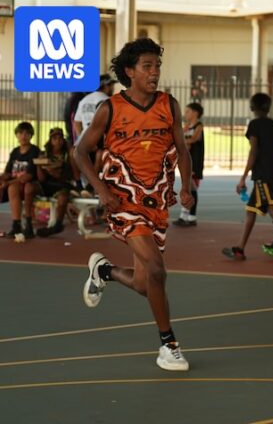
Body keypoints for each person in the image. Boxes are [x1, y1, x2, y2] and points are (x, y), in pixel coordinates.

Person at [73, 37, 194, 371]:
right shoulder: (110, 109)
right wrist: (100, 189)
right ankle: (169, 345)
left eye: (157, 65)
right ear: (130, 71)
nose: (154, 72)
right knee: (157, 270)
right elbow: (79, 152)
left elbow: (182, 148)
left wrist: (188, 182)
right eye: (147, 66)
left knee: (145, 283)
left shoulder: (168, 105)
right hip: (124, 201)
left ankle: (105, 271)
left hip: (157, 202)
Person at [222, 93, 273, 263]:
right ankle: (240, 248)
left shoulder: (255, 125)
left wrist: (243, 177)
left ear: (252, 107)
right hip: (272, 174)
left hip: (262, 176)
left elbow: (254, 151)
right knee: (251, 211)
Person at [0, 122, 41, 239]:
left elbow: (29, 176)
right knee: (12, 188)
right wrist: (3, 178)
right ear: (16, 135)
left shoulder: (34, 151)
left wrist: (7, 183)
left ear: (31, 135)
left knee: (15, 186)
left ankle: (28, 223)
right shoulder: (15, 152)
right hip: (16, 185)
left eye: (27, 133)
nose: (23, 136)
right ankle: (16, 224)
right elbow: (8, 172)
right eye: (20, 133)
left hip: (30, 184)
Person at [35, 128, 76, 237]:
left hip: (61, 185)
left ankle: (58, 224)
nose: (58, 141)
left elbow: (67, 176)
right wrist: (39, 165)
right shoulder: (45, 154)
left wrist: (53, 170)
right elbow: (41, 179)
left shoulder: (67, 155)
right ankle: (26, 223)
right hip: (47, 185)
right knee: (30, 187)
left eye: (60, 138)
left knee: (62, 198)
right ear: (50, 141)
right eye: (55, 138)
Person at [174, 102, 205, 226]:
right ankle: (186, 216)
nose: (185, 114)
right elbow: (180, 138)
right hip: (187, 160)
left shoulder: (199, 125)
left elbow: (193, 139)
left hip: (195, 160)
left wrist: (184, 141)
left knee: (191, 187)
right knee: (188, 187)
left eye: (188, 111)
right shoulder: (186, 126)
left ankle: (190, 216)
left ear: (195, 113)